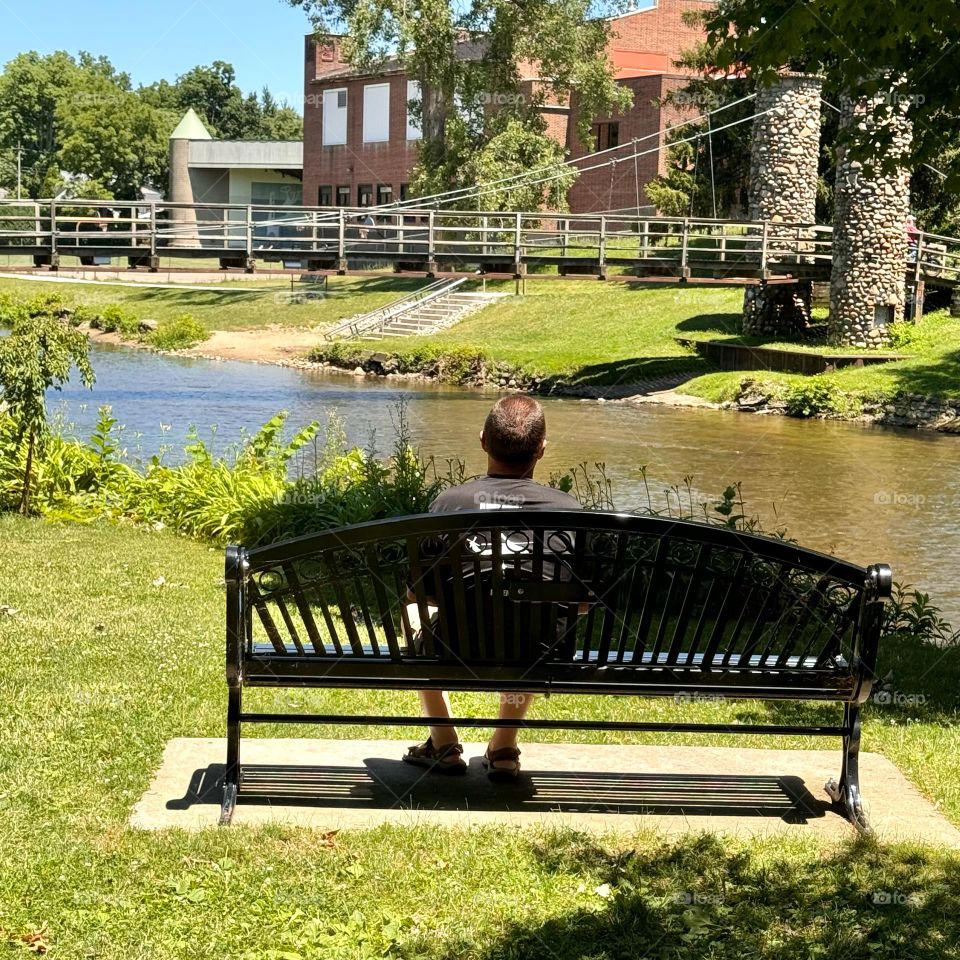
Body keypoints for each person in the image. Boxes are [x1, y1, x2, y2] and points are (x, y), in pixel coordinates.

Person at [402, 395, 582, 782]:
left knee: (410, 608)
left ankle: (443, 742)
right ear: (542, 449)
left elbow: (419, 593)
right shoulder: (569, 510)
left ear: (483, 441)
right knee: (538, 619)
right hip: (538, 652)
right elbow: (582, 604)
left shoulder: (449, 503)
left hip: (455, 647)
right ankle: (503, 747)